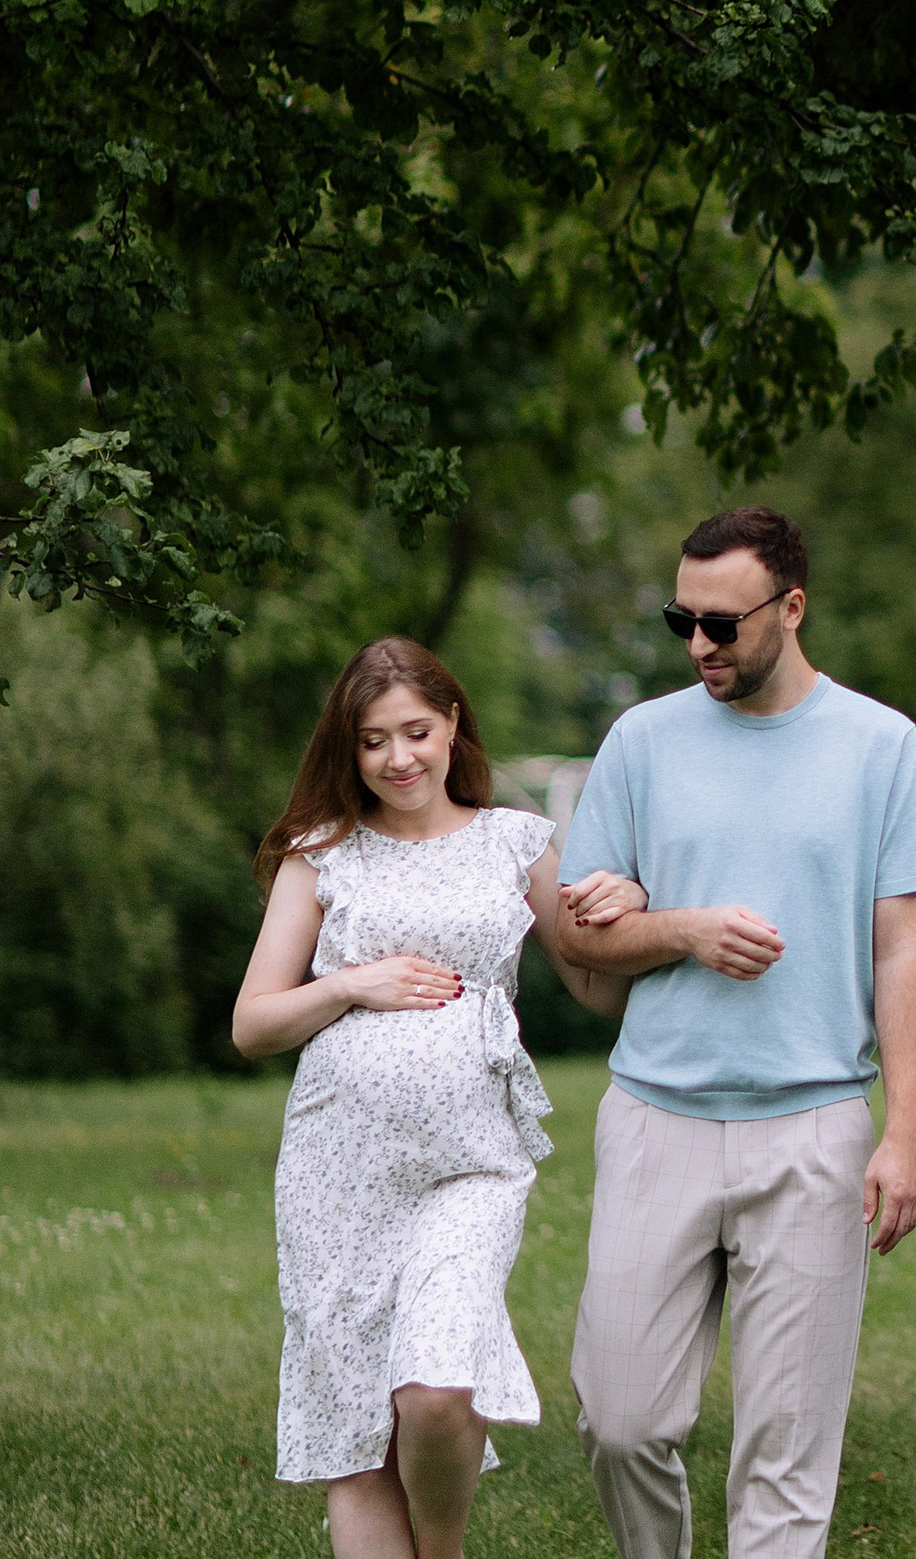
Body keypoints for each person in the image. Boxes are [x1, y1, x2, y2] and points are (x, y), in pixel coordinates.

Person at [555, 504, 916, 1559]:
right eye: (681, 619)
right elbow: (578, 933)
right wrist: (680, 928)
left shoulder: (881, 747)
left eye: (722, 624)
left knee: (785, 1453)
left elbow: (903, 949)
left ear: (792, 606)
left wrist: (901, 1130)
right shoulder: (640, 740)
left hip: (814, 1124)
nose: (698, 645)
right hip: (655, 1118)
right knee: (621, 1418)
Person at [233, 635, 629, 1559]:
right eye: (374, 740)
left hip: (471, 1164)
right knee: (357, 1432)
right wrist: (348, 986)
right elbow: (253, 1025)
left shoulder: (514, 841)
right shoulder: (321, 854)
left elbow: (596, 989)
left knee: (438, 1390)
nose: (399, 758)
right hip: (339, 1173)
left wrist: (627, 909)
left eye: (417, 731)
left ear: (453, 726)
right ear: (350, 749)